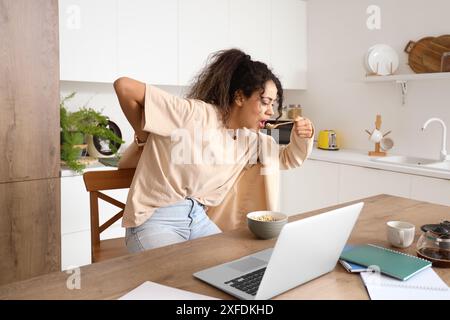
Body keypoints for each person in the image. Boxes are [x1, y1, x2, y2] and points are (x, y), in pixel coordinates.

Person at [113, 48, 314, 253]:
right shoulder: (195, 114)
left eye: (272, 104)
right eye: (264, 102)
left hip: (199, 219)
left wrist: (302, 136)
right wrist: (145, 136)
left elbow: (287, 158)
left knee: (235, 267)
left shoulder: (249, 139)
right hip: (157, 218)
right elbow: (125, 87)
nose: (271, 111)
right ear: (239, 97)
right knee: (175, 276)